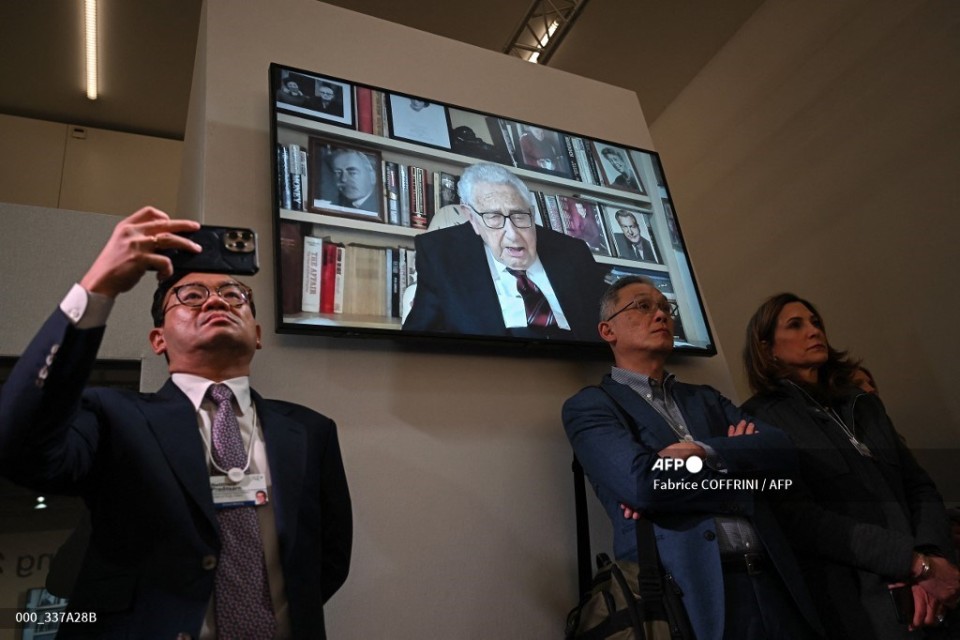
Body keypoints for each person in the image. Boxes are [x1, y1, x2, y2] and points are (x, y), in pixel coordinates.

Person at [0, 207, 352, 639]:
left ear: (258, 334)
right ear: (158, 339)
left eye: (234, 294)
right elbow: (19, 446)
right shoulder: (112, 417)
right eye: (191, 296)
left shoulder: (311, 431)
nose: (216, 301)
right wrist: (97, 287)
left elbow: (325, 563)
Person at [563, 276, 823, 640]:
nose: (661, 315)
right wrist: (742, 472)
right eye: (643, 306)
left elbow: (782, 451)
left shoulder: (706, 398)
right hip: (687, 596)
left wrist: (703, 450)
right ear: (608, 330)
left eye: (665, 308)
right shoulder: (591, 406)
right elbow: (644, 486)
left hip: (774, 582)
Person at [742, 293, 959, 639]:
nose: (814, 331)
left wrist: (933, 559)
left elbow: (919, 486)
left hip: (936, 589)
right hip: (862, 606)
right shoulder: (761, 418)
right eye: (795, 325)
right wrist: (911, 563)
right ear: (768, 349)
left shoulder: (862, 403)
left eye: (815, 322)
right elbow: (800, 519)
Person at [402, 162, 606, 340]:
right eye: (494, 217)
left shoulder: (572, 251)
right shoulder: (440, 253)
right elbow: (417, 341)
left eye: (519, 215)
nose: (513, 235)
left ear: (532, 212)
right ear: (471, 218)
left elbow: (605, 324)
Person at [331, 149, 379, 213]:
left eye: (352, 173)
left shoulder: (379, 208)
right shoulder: (334, 205)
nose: (343, 179)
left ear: (372, 176)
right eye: (338, 173)